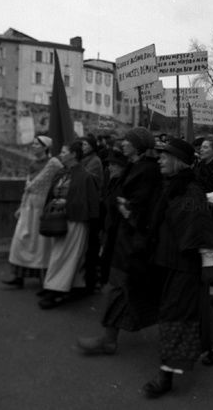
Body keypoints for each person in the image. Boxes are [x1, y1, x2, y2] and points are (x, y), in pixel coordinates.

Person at [142, 138, 213, 399]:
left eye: (164, 156)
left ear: (177, 160)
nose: (159, 159)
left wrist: (208, 261)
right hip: (168, 261)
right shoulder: (171, 186)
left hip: (185, 265)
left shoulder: (191, 191)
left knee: (173, 315)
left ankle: (166, 376)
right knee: (193, 307)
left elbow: (200, 228)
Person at [77, 127, 162, 354]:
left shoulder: (147, 170)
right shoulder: (136, 166)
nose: (123, 144)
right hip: (124, 238)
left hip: (133, 240)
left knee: (120, 287)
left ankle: (108, 339)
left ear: (138, 146)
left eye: (128, 141)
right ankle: (110, 338)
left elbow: (142, 205)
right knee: (123, 287)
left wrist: (127, 208)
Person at [38, 141, 100, 309]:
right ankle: (71, 286)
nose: (61, 154)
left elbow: (89, 203)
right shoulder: (61, 173)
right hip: (59, 220)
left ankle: (54, 289)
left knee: (65, 256)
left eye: (64, 151)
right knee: (60, 254)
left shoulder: (85, 176)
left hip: (75, 222)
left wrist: (66, 203)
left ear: (74, 154)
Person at [3, 136, 63, 288]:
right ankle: (19, 276)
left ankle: (44, 277)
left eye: (37, 144)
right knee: (21, 239)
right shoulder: (32, 164)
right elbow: (27, 189)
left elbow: (61, 179)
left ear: (45, 147)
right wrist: (21, 206)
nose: (33, 146)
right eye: (34, 143)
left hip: (42, 206)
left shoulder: (53, 163)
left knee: (41, 243)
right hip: (29, 206)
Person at [98, 148, 128, 285]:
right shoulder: (112, 182)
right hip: (108, 229)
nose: (109, 167)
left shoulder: (123, 184)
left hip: (116, 231)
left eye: (113, 165)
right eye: (109, 164)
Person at [80, 134, 105, 293]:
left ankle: (93, 278)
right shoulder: (86, 160)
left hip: (93, 207)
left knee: (92, 244)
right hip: (88, 206)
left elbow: (88, 179)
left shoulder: (95, 161)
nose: (83, 147)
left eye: (85, 144)